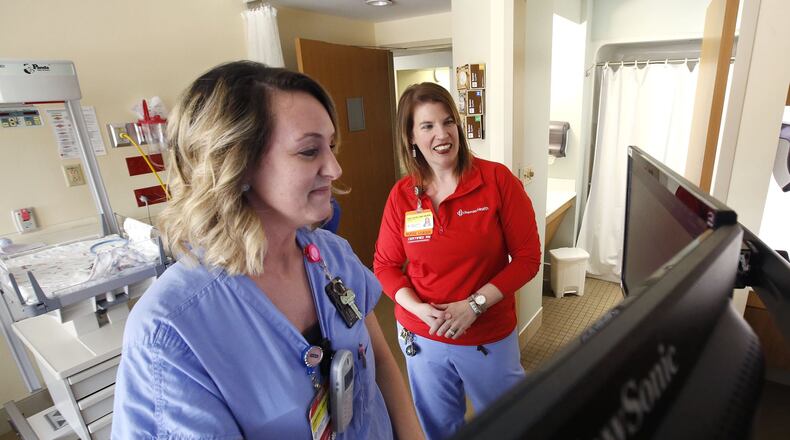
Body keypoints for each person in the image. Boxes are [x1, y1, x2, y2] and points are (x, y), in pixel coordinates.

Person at [112, 61, 423, 439]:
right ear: (235, 163)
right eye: (310, 151)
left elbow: (383, 362)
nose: (336, 169)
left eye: (332, 146)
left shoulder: (333, 257)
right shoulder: (171, 331)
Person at [373, 82, 542, 440]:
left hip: (487, 334)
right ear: (411, 137)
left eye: (448, 121)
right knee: (439, 427)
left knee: (507, 422)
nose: (442, 134)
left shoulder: (496, 181)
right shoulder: (402, 195)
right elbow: (385, 266)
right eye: (428, 126)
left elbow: (527, 259)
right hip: (422, 336)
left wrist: (475, 305)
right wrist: (418, 310)